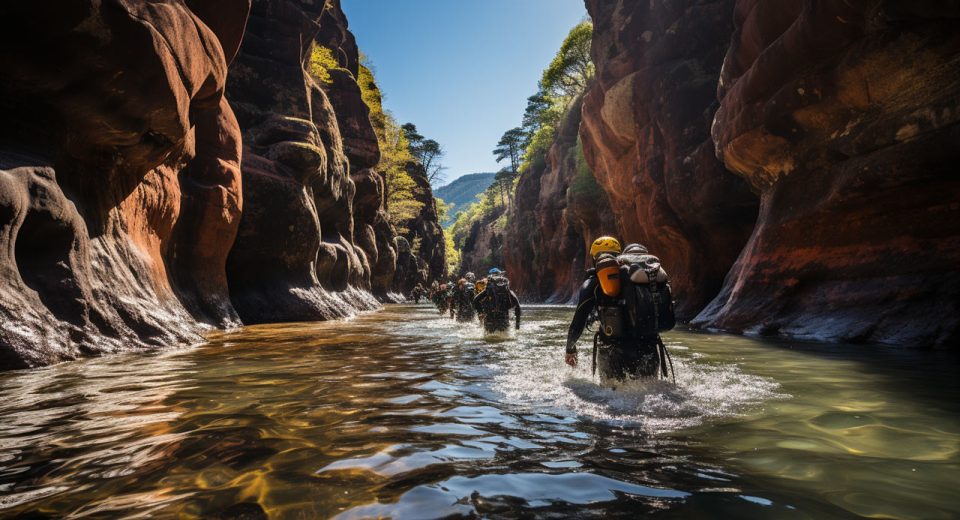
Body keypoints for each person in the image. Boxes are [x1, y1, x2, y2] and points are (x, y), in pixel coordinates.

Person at [564, 236, 676, 381]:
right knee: (650, 393)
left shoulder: (595, 282)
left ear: (594, 257)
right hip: (649, 349)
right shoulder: (641, 278)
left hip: (612, 353)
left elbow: (579, 319)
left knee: (614, 397)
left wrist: (570, 349)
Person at [473, 268, 521, 333]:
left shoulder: (488, 289)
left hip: (489, 318)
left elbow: (475, 300)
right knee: (504, 339)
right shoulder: (506, 290)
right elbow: (517, 306)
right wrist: (517, 325)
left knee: (489, 338)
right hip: (503, 318)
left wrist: (480, 312)